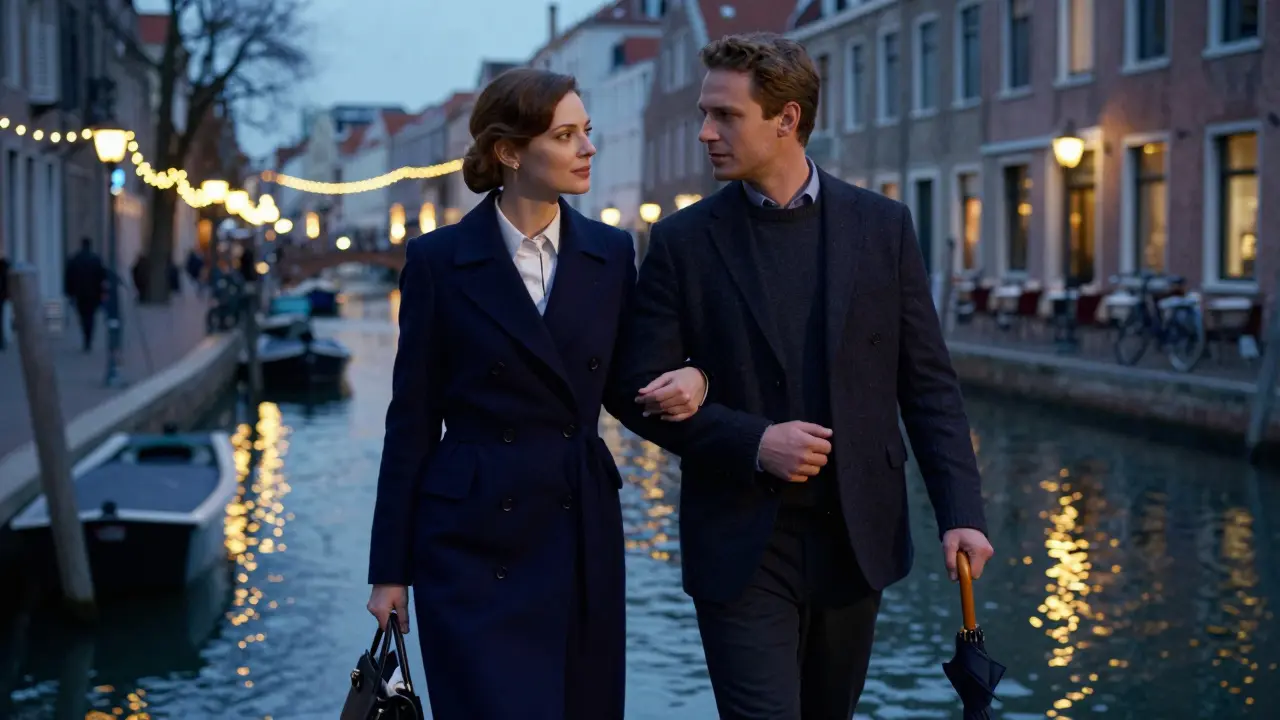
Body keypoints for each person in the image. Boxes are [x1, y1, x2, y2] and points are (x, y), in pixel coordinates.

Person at [610, 33, 995, 720]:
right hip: (740, 544)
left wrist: (961, 514)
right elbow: (635, 390)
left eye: (725, 115)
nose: (705, 132)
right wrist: (753, 441)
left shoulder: (882, 227)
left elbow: (929, 385)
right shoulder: (682, 241)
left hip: (858, 540)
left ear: (786, 119)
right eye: (705, 112)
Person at [365, 68, 708, 720]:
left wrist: (696, 375)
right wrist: (389, 571)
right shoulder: (438, 260)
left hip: (578, 526)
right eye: (566, 134)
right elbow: (410, 422)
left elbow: (625, 384)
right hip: (469, 543)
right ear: (510, 151)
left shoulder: (610, 253)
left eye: (587, 131)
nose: (588, 148)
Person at [64, 238, 107, 353]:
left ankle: (85, 336)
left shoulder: (75, 259)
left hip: (79, 294)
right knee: (91, 317)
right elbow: (102, 277)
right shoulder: (95, 260)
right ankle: (88, 338)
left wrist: (69, 292)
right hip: (93, 294)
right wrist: (102, 293)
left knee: (83, 316)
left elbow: (69, 277)